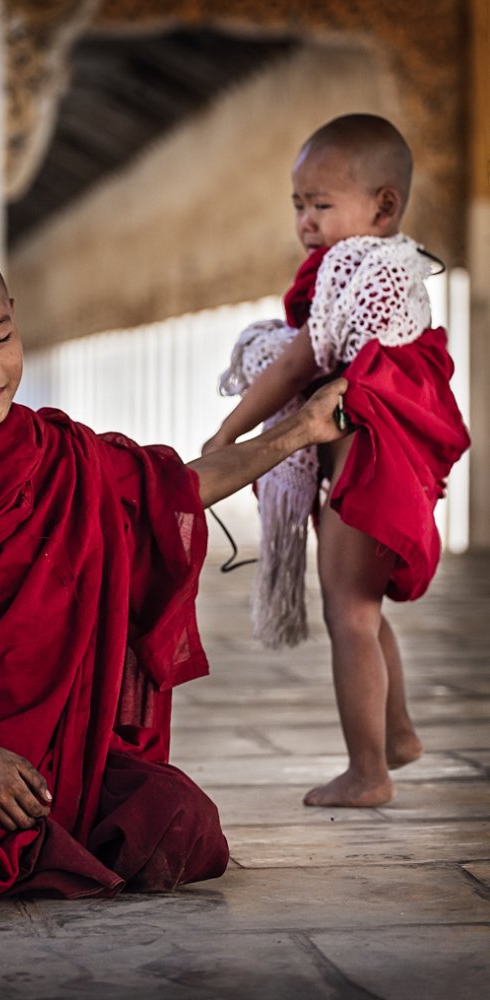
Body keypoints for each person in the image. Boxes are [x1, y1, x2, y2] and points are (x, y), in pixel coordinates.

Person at [0, 231, 346, 911]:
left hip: (66, 753)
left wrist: (301, 431)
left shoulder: (62, 455)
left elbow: (177, 486)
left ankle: (33, 825)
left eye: (0, 337)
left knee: (184, 830)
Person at [203, 114, 470, 808]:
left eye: (321, 205)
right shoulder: (394, 263)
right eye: (298, 204)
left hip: (366, 455)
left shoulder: (360, 264)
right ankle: (400, 733)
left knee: (348, 613)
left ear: (383, 206)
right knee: (364, 607)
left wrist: (229, 434)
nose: (306, 221)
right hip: (371, 452)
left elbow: (299, 362)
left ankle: (368, 772)